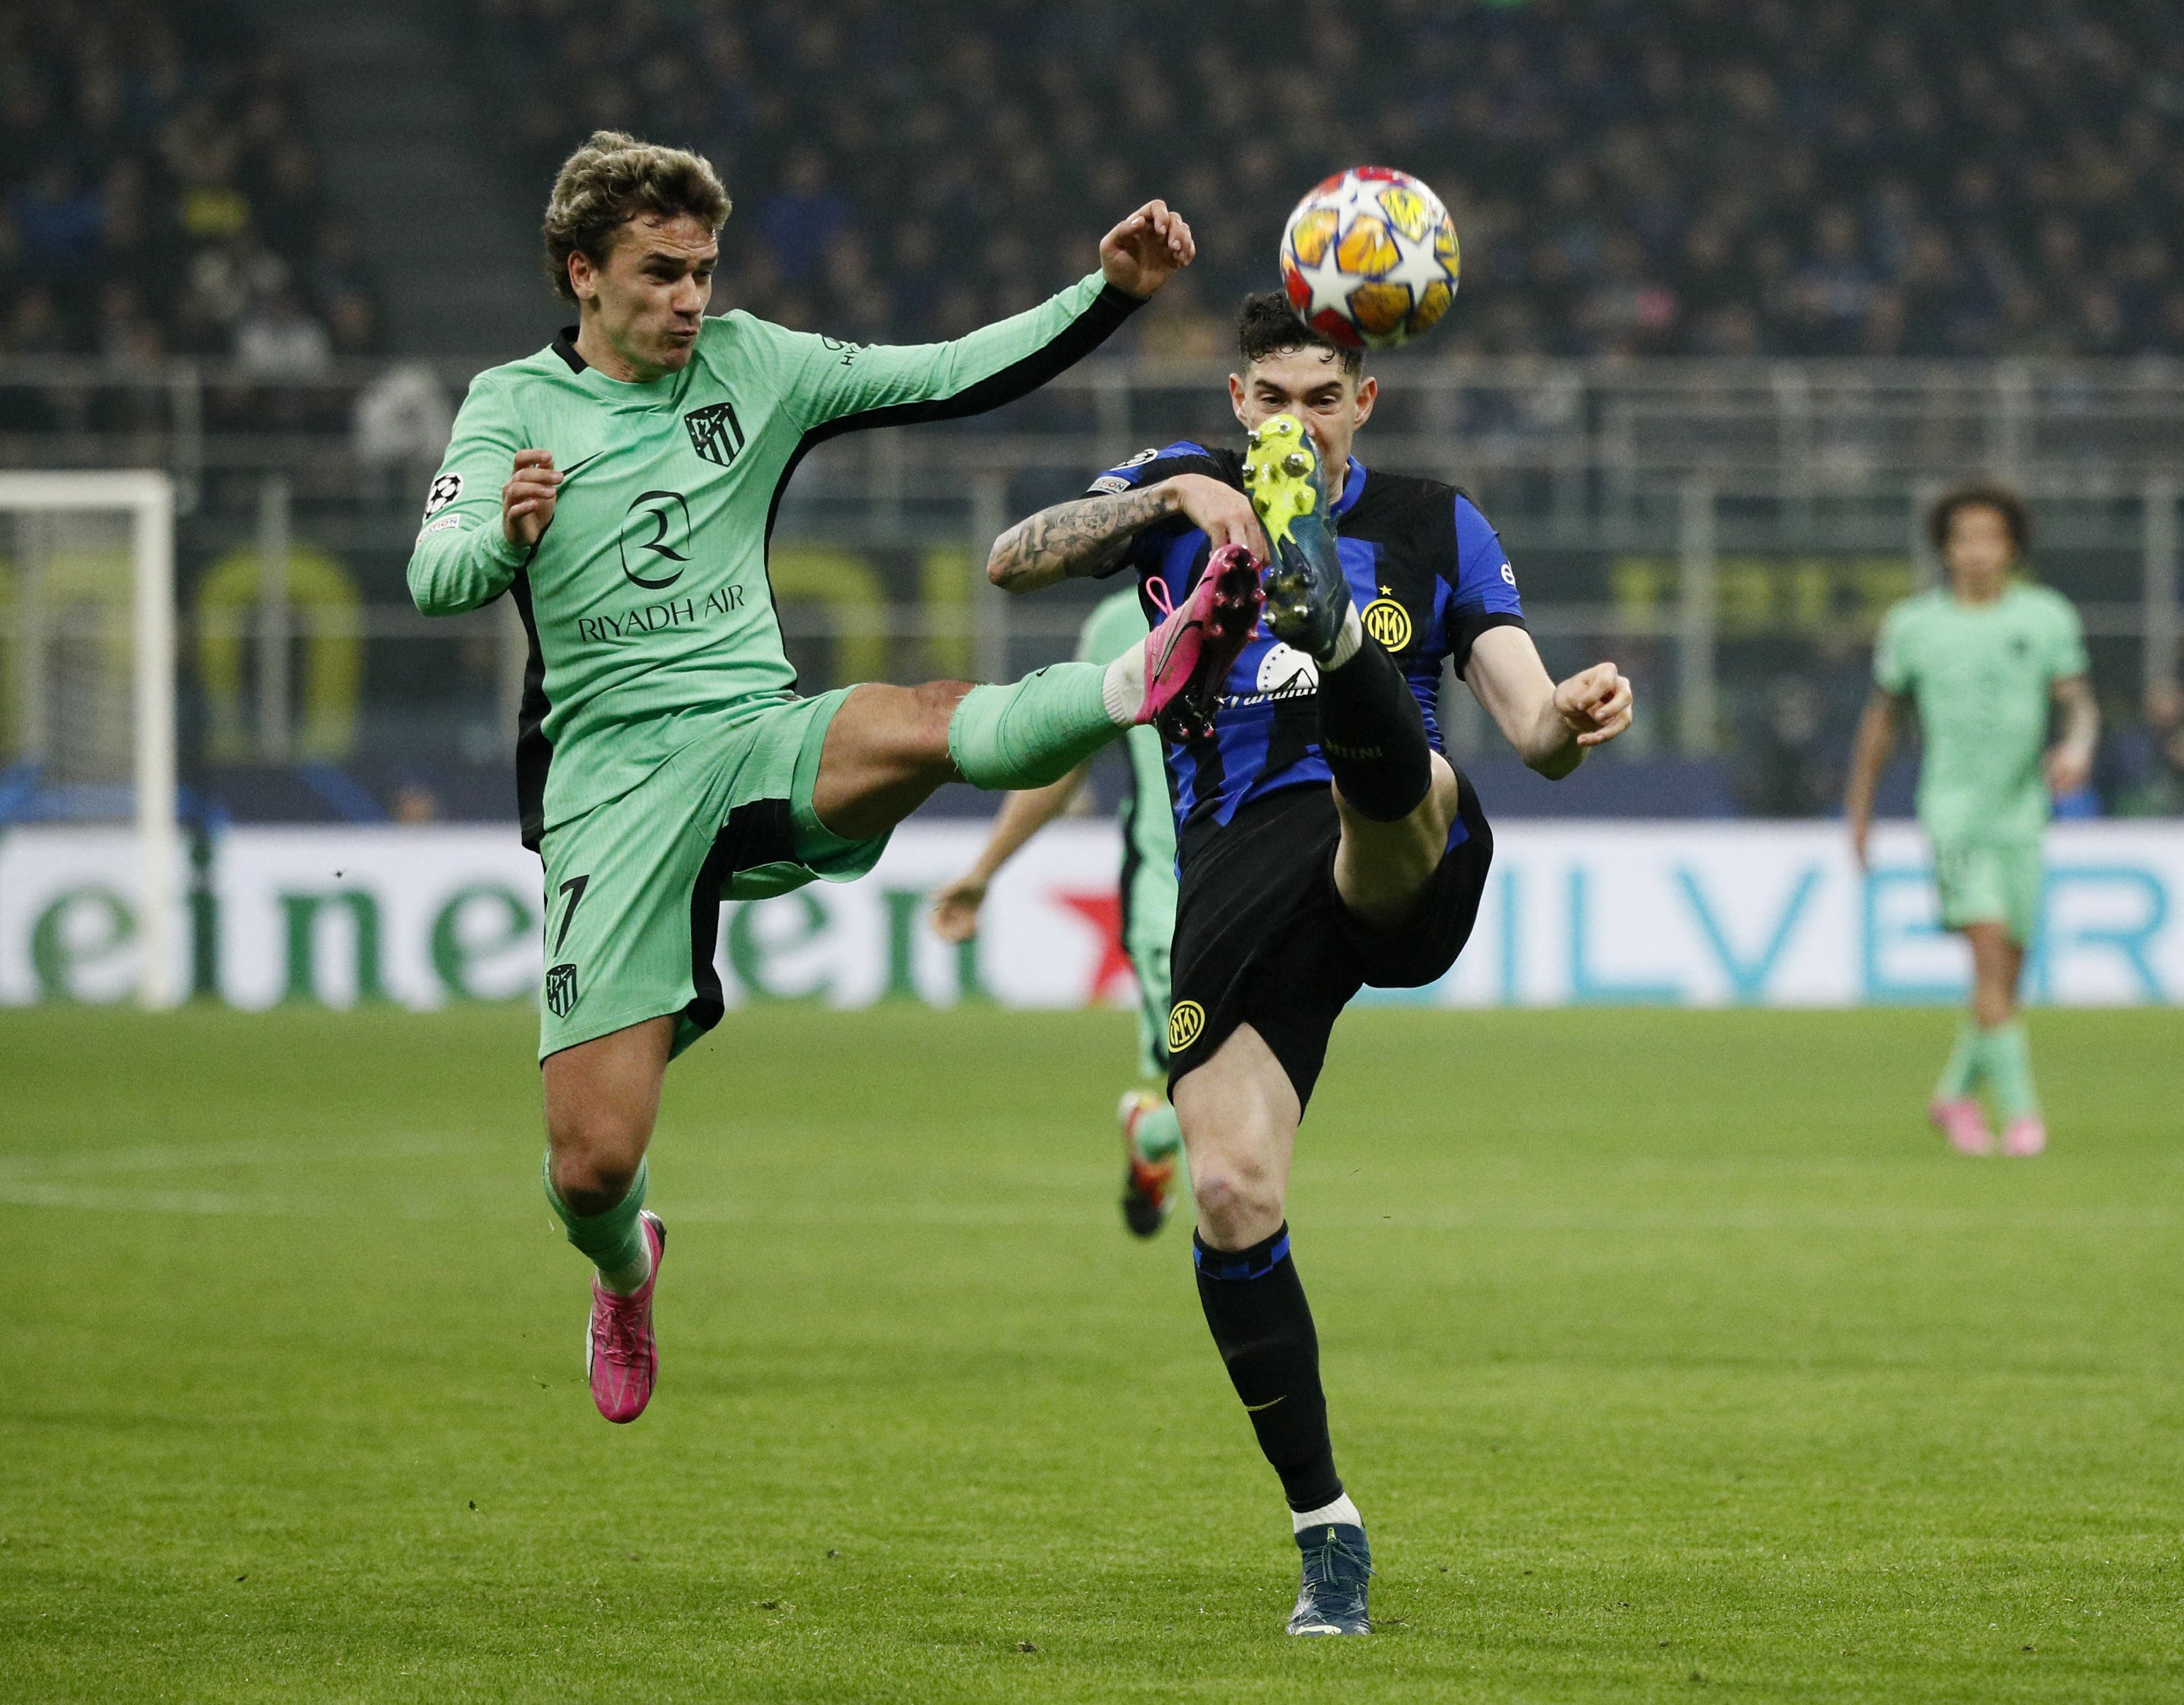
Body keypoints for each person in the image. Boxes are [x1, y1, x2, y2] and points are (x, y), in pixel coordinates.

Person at [406, 131, 1263, 1429]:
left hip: (752, 732)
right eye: (660, 273)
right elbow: (435, 573)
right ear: (582, 273)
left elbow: (950, 373)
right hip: (611, 792)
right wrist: (502, 533)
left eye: (703, 270)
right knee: (592, 1164)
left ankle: (1131, 678)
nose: (691, 298)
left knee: (921, 716)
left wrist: (1110, 294)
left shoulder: (757, 364)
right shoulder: (511, 404)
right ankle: (626, 1269)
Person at [986, 292, 1634, 1635]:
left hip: (1394, 837)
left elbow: (1528, 721)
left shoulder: (1433, 520)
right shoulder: (1174, 497)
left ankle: (1330, 637)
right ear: (1237, 402)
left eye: (1320, 398)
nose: (1297, 419)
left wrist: (1569, 713)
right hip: (1228, 871)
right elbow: (1014, 559)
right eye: (1270, 400)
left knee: (1391, 784)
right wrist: (1176, 490)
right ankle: (1323, 1529)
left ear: (1361, 404)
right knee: (1225, 1188)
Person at [1846, 483, 2097, 1157]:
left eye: (1992, 537)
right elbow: (1881, 725)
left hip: (2023, 815)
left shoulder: (2046, 618)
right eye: (1965, 539)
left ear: (2011, 546)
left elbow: (2078, 705)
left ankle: (1954, 1095)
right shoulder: (1915, 626)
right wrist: (1859, 814)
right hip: (1954, 815)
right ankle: (2023, 1119)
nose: (1979, 551)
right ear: (1947, 549)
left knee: (2007, 977)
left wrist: (2076, 747)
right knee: (1988, 956)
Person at [930, 589, 1185, 1236]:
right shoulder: (1118, 626)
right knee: (1219, 1098)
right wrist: (984, 871)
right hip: (1170, 894)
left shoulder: (1286, 598)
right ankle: (1161, 1140)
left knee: (1259, 1082)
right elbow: (1064, 763)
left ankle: (1152, 1134)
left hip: (1271, 885)